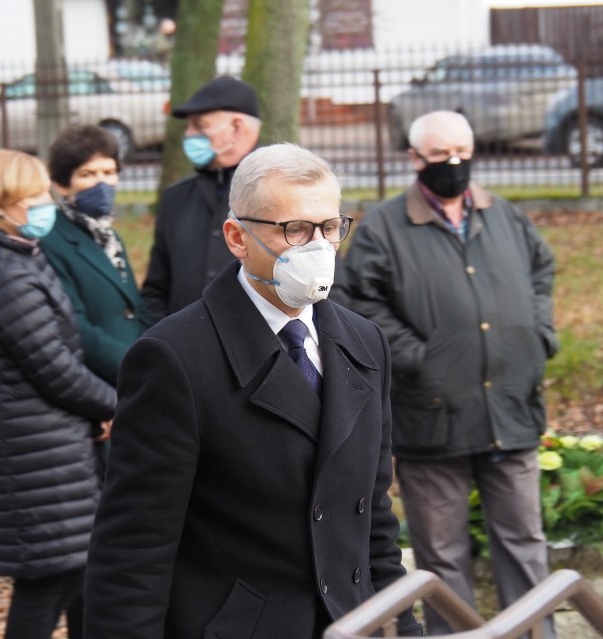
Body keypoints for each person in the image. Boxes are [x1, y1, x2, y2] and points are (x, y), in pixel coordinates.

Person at [84, 143, 424, 638]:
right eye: (294, 230)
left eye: (329, 228)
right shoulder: (175, 357)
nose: (317, 247)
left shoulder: (364, 343)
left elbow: (371, 519)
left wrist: (401, 627)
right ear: (237, 238)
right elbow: (134, 549)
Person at [336, 110, 558, 637]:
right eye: (440, 155)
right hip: (432, 418)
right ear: (414, 159)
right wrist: (416, 356)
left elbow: (541, 271)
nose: (454, 163)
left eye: (463, 150)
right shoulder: (384, 229)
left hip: (510, 409)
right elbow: (355, 303)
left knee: (525, 545)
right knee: (442, 559)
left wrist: (539, 334)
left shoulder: (503, 215)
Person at [0, 149, 116, 639]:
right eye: (36, 196)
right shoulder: (5, 275)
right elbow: (56, 370)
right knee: (48, 584)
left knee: (82, 574)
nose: (47, 202)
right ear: (1, 204)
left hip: (42, 447)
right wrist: (115, 405)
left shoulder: (15, 253)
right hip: (28, 454)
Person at [140, 75, 261, 321]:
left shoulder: (284, 194)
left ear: (237, 128)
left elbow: (324, 287)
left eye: (200, 125)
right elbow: (156, 288)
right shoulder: (176, 198)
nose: (189, 134)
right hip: (184, 351)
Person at [41, 124, 153, 389]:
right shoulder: (51, 240)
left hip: (134, 378)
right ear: (61, 184)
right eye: (87, 174)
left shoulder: (109, 237)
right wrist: (135, 371)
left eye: (109, 172)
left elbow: (136, 309)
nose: (101, 183)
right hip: (97, 382)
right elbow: (75, 327)